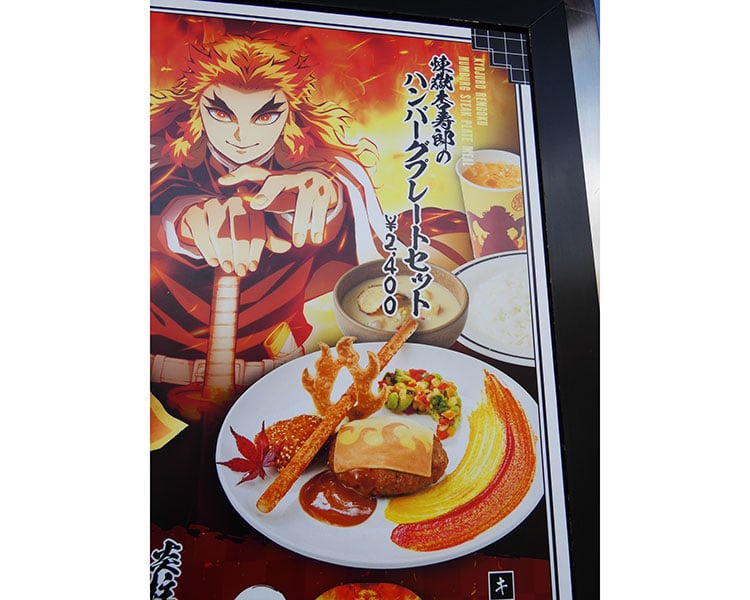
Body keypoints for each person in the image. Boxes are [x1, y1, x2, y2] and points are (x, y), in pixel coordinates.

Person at [150, 34, 387, 415]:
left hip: (278, 389)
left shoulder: (323, 173)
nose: (241, 136)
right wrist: (183, 221)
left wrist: (320, 201)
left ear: (289, 114)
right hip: (156, 396)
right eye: (222, 113)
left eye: (264, 116)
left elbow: (365, 243)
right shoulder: (159, 163)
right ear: (196, 108)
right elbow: (159, 196)